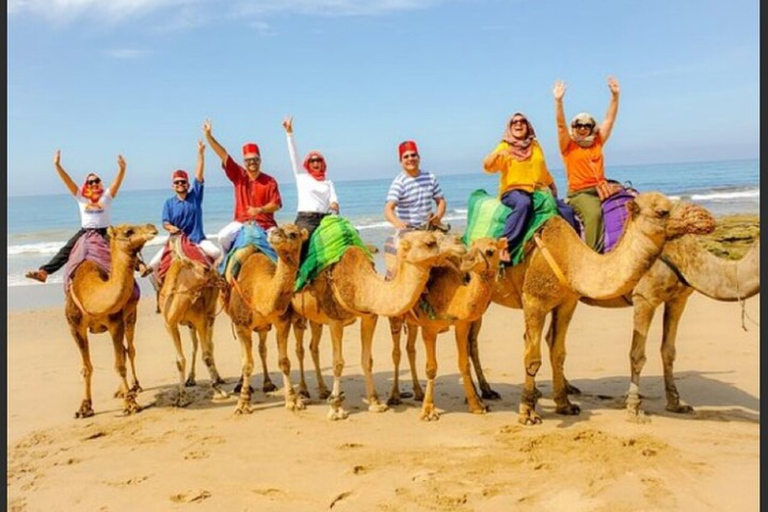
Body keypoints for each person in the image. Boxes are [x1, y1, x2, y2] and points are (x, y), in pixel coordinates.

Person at [483, 113, 579, 262]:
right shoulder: (505, 146)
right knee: (523, 204)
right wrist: (499, 154)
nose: (518, 124)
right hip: (513, 191)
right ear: (510, 127)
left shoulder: (535, 145)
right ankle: (504, 244)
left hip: (537, 191)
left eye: (522, 121)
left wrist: (552, 186)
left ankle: (574, 247)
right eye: (514, 122)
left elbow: (542, 168)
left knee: (567, 210)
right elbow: (488, 167)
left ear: (528, 126)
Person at [25, 150, 126, 283]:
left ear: (100, 182)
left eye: (96, 181)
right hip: (86, 231)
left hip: (105, 231)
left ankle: (140, 267)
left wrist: (122, 169)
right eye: (90, 182)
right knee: (66, 249)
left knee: (122, 248)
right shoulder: (81, 196)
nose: (94, 183)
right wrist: (57, 166)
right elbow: (68, 180)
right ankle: (44, 272)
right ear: (86, 184)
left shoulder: (107, 195)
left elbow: (116, 182)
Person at [554, 76, 621, 252]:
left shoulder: (597, 141)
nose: (582, 128)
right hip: (580, 193)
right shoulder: (568, 145)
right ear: (573, 127)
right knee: (594, 215)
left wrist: (615, 97)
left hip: (601, 187)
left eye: (587, 125)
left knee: (629, 203)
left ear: (592, 128)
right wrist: (558, 101)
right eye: (578, 125)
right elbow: (561, 126)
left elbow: (609, 120)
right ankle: (593, 255)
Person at [203, 118, 283, 255]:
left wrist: (260, 209)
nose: (252, 162)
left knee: (282, 246)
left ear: (260, 160)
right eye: (248, 160)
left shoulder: (270, 181)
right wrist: (209, 137)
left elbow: (277, 204)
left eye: (255, 159)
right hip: (241, 223)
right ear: (244, 162)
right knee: (222, 236)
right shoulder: (239, 175)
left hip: (266, 225)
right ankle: (224, 264)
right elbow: (223, 155)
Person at [144, 140, 221, 277]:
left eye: (183, 182)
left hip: (197, 240)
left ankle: (217, 282)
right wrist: (170, 228)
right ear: (173, 186)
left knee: (216, 253)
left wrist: (201, 153)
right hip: (176, 242)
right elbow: (165, 222)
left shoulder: (195, 196)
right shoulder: (169, 203)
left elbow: (198, 175)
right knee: (153, 265)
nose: (180, 184)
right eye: (177, 182)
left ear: (187, 184)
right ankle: (160, 290)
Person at [281, 115, 339, 249]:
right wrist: (289, 133)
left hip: (326, 219)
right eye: (313, 161)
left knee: (345, 238)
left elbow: (333, 198)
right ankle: (297, 269)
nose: (316, 163)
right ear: (308, 163)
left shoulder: (328, 182)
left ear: (322, 163)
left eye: (318, 160)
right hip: (306, 220)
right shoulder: (302, 176)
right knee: (299, 247)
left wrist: (334, 203)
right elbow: (293, 155)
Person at [384, 140, 446, 232]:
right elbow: (388, 208)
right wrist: (397, 222)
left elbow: (441, 201)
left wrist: (438, 216)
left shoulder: (430, 177)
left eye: (413, 155)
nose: (410, 159)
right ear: (401, 161)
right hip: (409, 230)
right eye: (406, 157)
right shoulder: (399, 182)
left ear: (419, 158)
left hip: (428, 227)